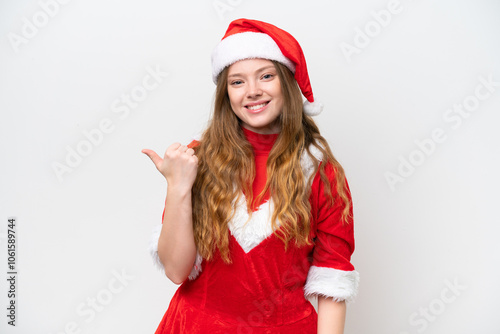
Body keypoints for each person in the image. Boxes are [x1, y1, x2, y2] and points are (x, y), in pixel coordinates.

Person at [142, 18, 359, 334]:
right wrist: (178, 187)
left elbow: (333, 278)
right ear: (226, 93)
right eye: (237, 82)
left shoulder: (321, 172)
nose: (253, 91)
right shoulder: (197, 159)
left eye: (266, 76)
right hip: (195, 326)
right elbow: (176, 270)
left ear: (287, 82)